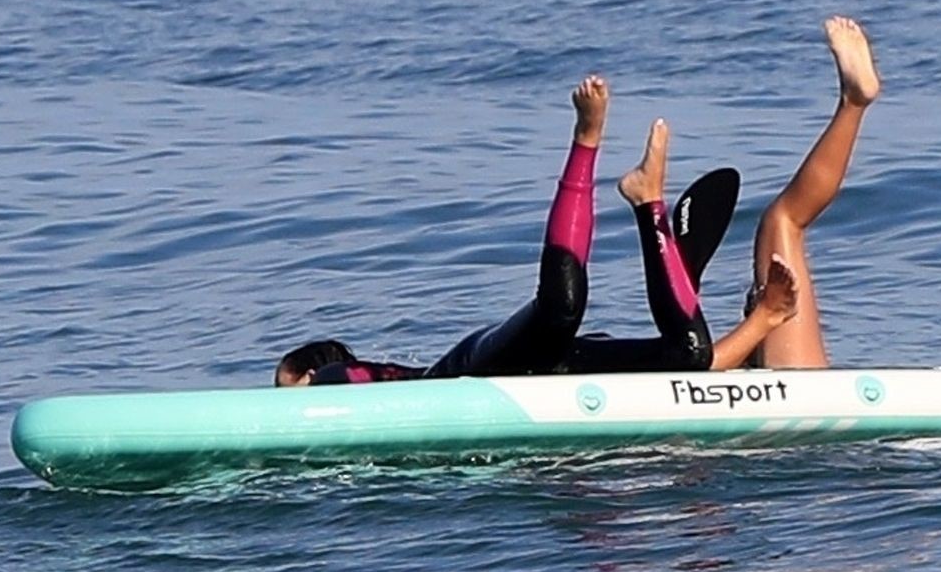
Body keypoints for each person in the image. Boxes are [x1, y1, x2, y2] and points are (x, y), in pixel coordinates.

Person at [274, 76, 798, 386]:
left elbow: (326, 387)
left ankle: (587, 139)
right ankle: (649, 204)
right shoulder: (348, 388)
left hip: (476, 369)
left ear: (306, 374)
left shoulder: (330, 382)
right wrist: (766, 319)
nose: (282, 399)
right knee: (688, 355)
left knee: (560, 309)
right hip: (554, 373)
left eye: (283, 387)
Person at [726, 15, 881, 370]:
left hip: (791, 389)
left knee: (783, 222)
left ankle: (854, 103)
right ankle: (853, 104)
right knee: (783, 221)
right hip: (797, 389)